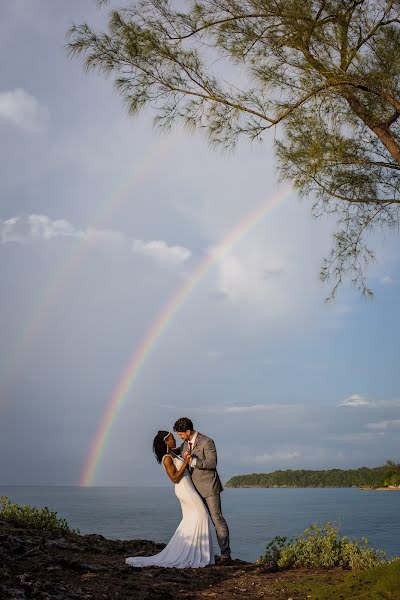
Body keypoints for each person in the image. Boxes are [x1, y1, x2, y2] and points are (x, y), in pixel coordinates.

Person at [125, 430, 214, 568]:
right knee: (202, 514)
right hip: (185, 490)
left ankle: (195, 552)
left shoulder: (173, 453)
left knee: (192, 519)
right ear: (166, 442)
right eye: (172, 439)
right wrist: (186, 462)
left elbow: (187, 448)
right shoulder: (167, 458)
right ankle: (195, 554)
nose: (175, 440)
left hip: (188, 488)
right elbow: (174, 478)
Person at [173, 417, 231, 564]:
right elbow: (176, 452)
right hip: (193, 490)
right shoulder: (184, 444)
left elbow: (212, 463)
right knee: (200, 520)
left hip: (209, 488)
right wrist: (163, 449)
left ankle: (225, 555)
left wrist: (192, 461)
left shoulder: (207, 441)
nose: (179, 437)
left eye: (180, 434)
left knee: (217, 520)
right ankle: (202, 553)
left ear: (188, 431)